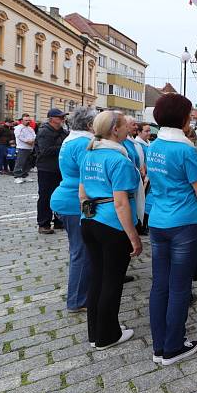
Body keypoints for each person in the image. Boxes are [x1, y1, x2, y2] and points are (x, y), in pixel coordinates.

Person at [145, 93, 197, 365]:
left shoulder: (154, 146)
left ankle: (159, 345)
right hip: (184, 223)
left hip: (158, 221)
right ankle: (173, 347)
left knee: (160, 285)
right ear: (182, 118)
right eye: (190, 113)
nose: (191, 117)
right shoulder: (185, 149)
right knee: (179, 287)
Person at [79, 110, 142, 350]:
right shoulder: (119, 160)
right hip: (112, 225)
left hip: (90, 220)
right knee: (112, 282)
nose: (129, 128)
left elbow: (82, 192)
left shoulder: (89, 155)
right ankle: (107, 335)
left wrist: (88, 218)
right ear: (115, 130)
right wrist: (133, 237)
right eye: (126, 125)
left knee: (96, 278)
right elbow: (121, 203)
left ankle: (95, 332)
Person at [51, 106, 96, 313]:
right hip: (74, 203)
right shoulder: (85, 143)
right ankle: (77, 300)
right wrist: (89, 215)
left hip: (66, 200)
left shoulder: (72, 139)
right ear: (89, 125)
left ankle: (81, 294)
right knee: (81, 251)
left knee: (79, 250)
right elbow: (87, 181)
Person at [35, 109, 68, 234]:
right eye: (59, 117)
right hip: (46, 168)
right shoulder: (44, 132)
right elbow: (45, 150)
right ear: (51, 119)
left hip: (59, 168)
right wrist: (64, 147)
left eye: (63, 117)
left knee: (59, 195)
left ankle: (59, 221)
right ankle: (44, 223)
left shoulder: (63, 132)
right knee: (45, 196)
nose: (62, 119)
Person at [134, 122, 151, 236]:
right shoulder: (138, 144)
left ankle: (144, 224)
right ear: (139, 132)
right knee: (143, 200)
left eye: (150, 130)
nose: (149, 133)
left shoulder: (148, 144)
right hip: (144, 178)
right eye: (146, 131)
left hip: (149, 177)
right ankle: (141, 225)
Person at [13, 113, 36, 183]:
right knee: (20, 162)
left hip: (30, 148)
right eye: (26, 120)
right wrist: (27, 141)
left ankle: (25, 175)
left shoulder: (30, 128)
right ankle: (17, 176)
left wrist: (33, 141)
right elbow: (19, 136)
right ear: (22, 120)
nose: (28, 121)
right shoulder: (19, 128)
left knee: (28, 163)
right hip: (22, 147)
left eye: (29, 120)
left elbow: (34, 135)